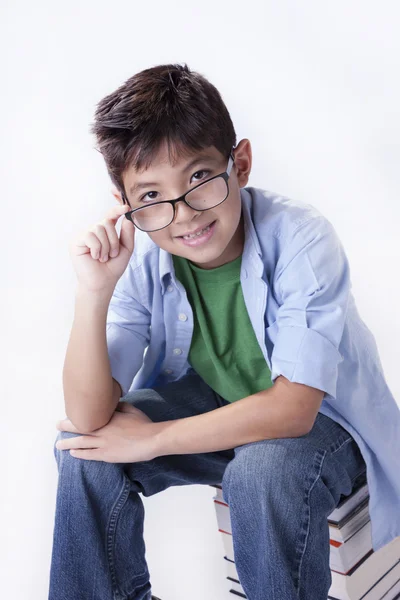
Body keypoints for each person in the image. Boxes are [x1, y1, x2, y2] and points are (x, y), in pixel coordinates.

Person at [48, 63, 400, 600]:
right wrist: (93, 292)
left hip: (325, 427)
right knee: (82, 448)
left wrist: (155, 439)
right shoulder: (144, 256)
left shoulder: (302, 238)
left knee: (260, 472)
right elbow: (88, 417)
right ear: (125, 205)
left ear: (240, 164)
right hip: (217, 403)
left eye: (198, 179)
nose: (184, 215)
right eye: (151, 198)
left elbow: (294, 408)